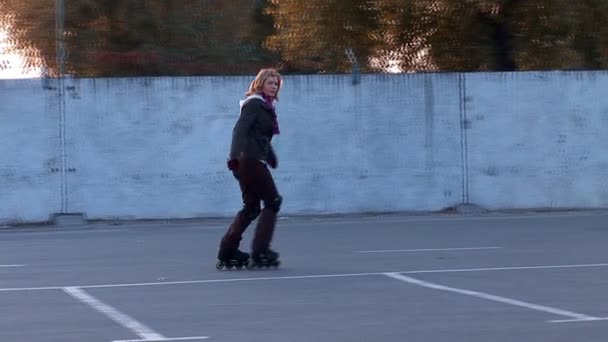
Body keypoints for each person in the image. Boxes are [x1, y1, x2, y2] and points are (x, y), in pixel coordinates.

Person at [217, 68, 283, 267]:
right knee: (273, 201)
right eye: (270, 83)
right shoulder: (254, 103)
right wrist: (233, 158)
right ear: (260, 83)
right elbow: (240, 130)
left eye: (276, 84)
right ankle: (260, 251)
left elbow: (259, 136)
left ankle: (227, 251)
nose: (274, 87)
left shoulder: (265, 106)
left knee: (252, 207)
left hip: (251, 159)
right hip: (249, 160)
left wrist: (271, 156)